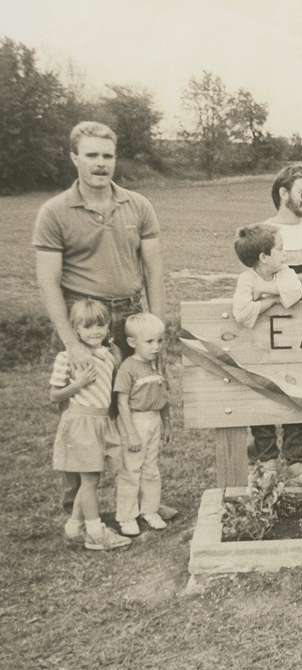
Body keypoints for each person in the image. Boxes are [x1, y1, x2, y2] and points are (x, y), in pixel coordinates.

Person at [33, 121, 166, 518]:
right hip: (85, 317)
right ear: (75, 158)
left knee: (137, 405)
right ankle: (77, 508)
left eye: (107, 155)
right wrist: (73, 344)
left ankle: (140, 498)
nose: (100, 163)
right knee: (83, 413)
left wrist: (154, 327)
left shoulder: (138, 205)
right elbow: (48, 281)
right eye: (91, 155)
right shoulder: (54, 211)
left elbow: (154, 270)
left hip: (130, 314)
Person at [231, 223, 302, 490]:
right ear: (264, 257)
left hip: (290, 352)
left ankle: (298, 462)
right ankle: (266, 462)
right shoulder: (247, 279)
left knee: (297, 401)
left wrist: (266, 295)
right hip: (261, 354)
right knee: (262, 404)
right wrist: (269, 302)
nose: (285, 255)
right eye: (280, 250)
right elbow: (241, 313)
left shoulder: (283, 273)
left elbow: (293, 295)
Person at [252, 165, 302, 483]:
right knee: (262, 382)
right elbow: (254, 277)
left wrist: (279, 287)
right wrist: (297, 285)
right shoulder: (260, 230)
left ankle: (299, 462)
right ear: (283, 193)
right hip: (270, 322)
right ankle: (265, 462)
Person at [49, 299, 132, 550]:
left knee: (92, 478)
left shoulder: (109, 355)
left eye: (100, 326)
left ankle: (74, 525)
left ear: (108, 327)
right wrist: (78, 383)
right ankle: (96, 532)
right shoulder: (67, 357)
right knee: (90, 478)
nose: (95, 331)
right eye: (87, 327)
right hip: (81, 422)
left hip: (102, 421)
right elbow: (54, 395)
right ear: (76, 329)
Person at [114, 312, 171, 537]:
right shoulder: (128, 368)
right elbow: (121, 402)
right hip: (135, 420)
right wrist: (131, 433)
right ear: (132, 343)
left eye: (160, 341)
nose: (156, 346)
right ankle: (126, 516)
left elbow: (163, 397)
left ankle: (149, 510)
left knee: (151, 467)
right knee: (131, 470)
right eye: (149, 342)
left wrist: (167, 424)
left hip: (154, 419)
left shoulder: (157, 366)